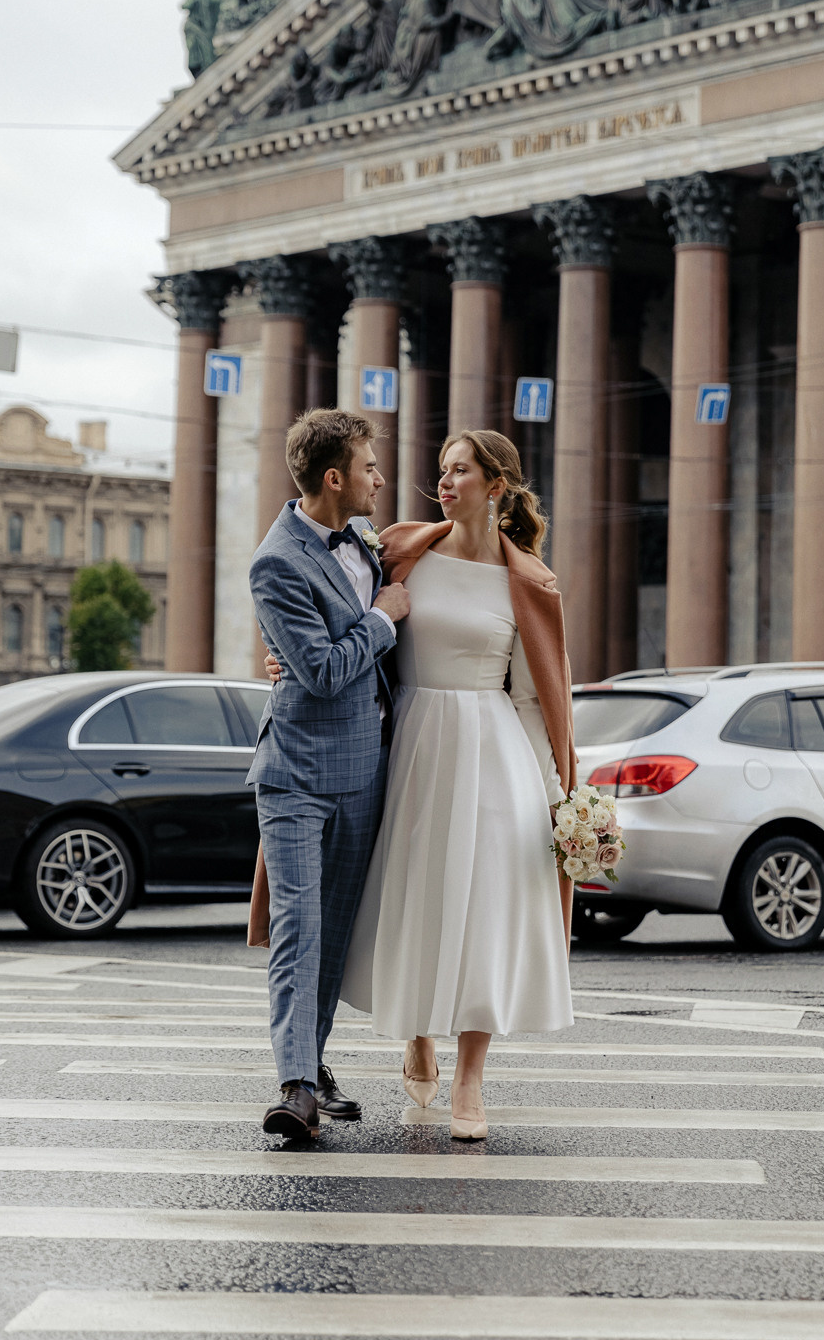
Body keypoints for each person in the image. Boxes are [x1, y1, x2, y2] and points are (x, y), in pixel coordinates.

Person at [263, 430, 576, 1142]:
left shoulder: (528, 578)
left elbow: (533, 696)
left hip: (490, 754)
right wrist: (279, 654)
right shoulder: (398, 548)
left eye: (458, 471)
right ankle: (416, 1038)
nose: (442, 481)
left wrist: (555, 792)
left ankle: (470, 1077)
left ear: (494, 486)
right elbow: (334, 621)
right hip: (404, 749)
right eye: (441, 470)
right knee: (411, 902)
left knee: (483, 910)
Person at [246, 409, 410, 1141]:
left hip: (364, 770)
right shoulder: (274, 560)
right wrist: (381, 620)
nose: (381, 478)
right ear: (335, 477)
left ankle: (309, 1067)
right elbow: (317, 672)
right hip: (295, 773)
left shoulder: (369, 544)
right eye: (370, 466)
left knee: (335, 933)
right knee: (299, 929)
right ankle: (294, 1088)